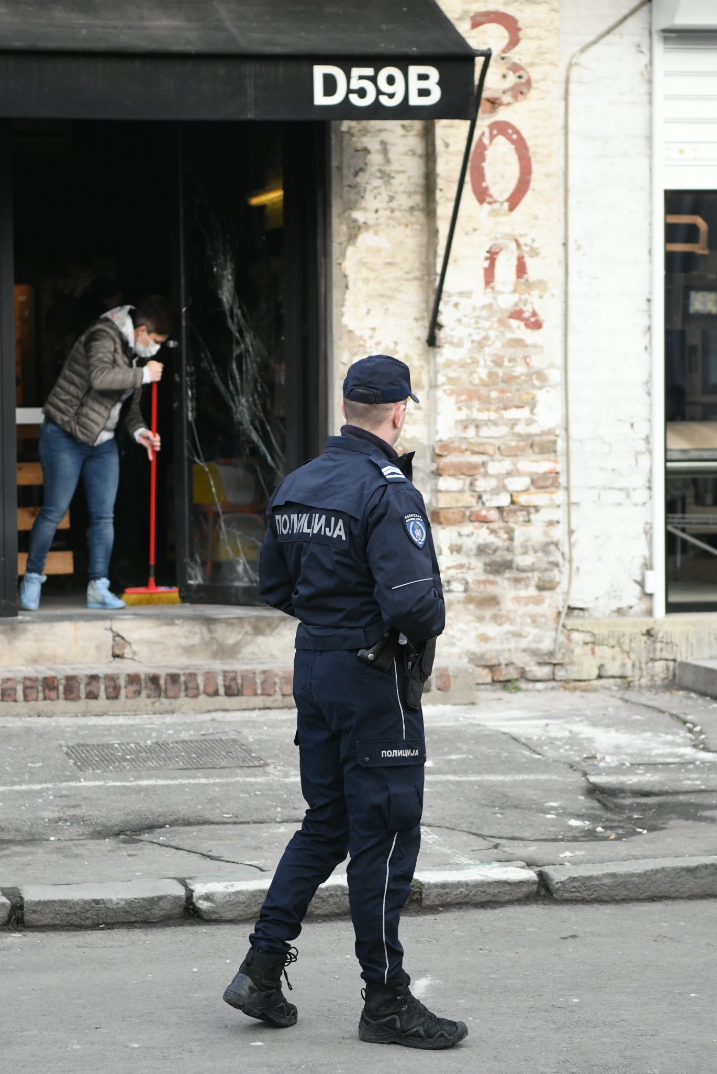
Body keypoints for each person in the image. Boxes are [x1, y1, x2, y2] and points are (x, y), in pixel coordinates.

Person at [223, 355, 466, 1050]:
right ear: (398, 413)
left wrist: (329, 614)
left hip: (317, 668)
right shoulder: (386, 490)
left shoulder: (300, 483)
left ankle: (262, 968)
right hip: (373, 677)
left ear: (346, 406)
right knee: (385, 834)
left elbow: (274, 585)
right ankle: (385, 999)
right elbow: (414, 604)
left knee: (325, 824)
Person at [20, 296, 170, 610]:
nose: (154, 349)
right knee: (54, 511)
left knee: (104, 516)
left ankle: (98, 586)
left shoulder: (134, 354)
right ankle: (32, 578)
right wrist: (143, 374)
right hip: (65, 434)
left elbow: (130, 411)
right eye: (154, 342)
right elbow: (100, 377)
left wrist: (141, 433)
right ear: (141, 331)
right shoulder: (103, 335)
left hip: (103, 443)